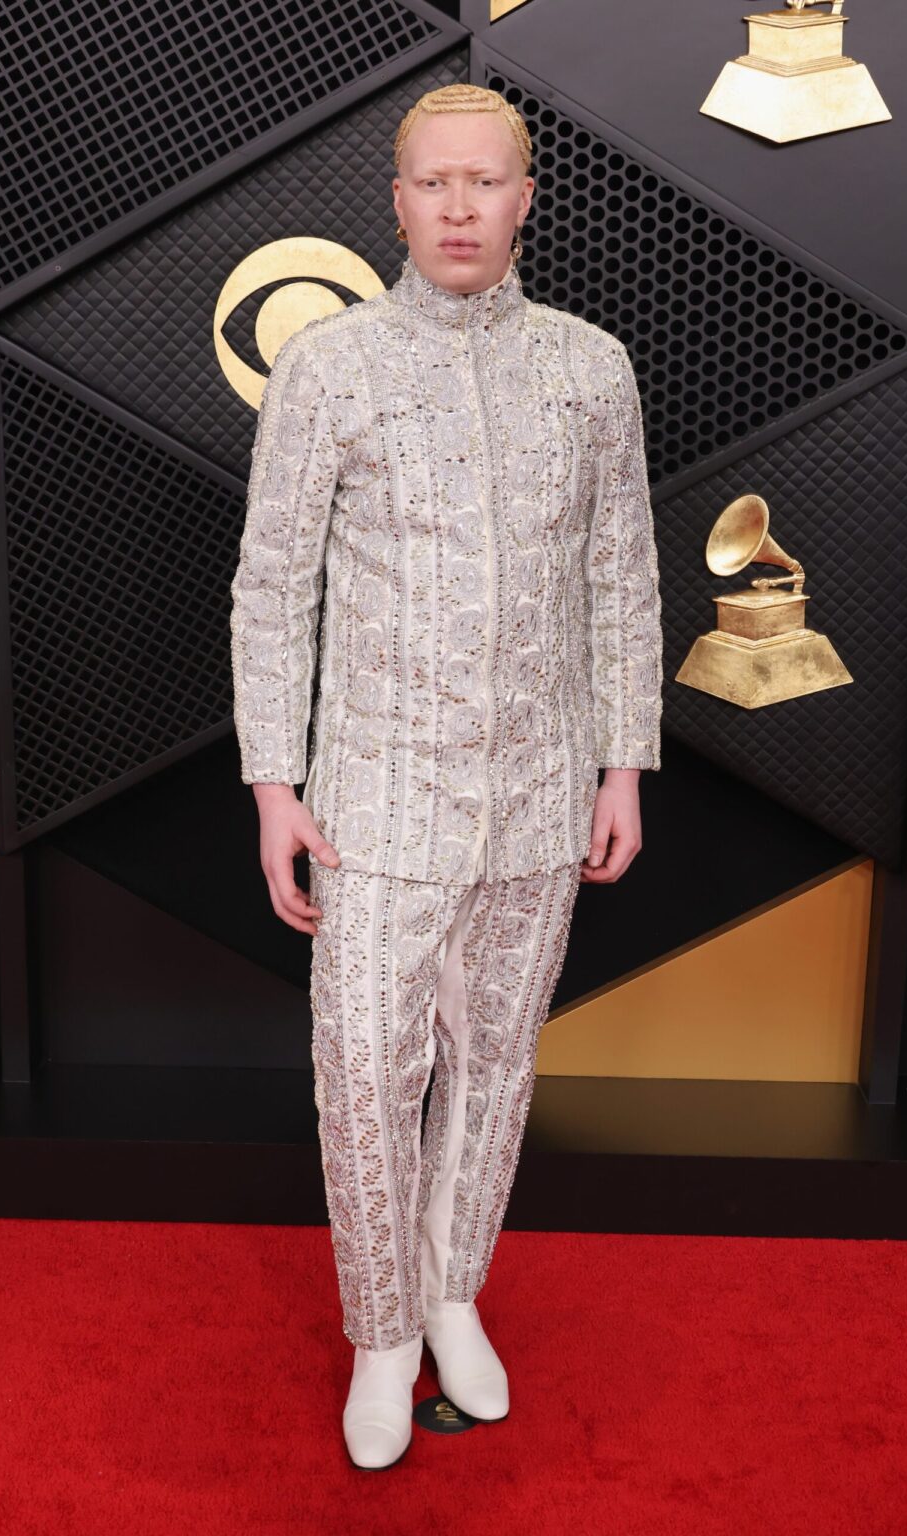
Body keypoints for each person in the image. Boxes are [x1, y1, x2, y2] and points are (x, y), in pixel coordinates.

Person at [229, 82, 663, 1469]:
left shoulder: (591, 367)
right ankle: (381, 1331)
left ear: (527, 196)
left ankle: (453, 1291)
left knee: (495, 1064)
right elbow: (272, 587)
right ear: (398, 198)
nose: (461, 207)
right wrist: (274, 785)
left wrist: (623, 763)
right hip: (372, 802)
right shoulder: (332, 366)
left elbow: (624, 580)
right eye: (434, 183)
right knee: (361, 1071)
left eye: (486, 182)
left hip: (540, 798)